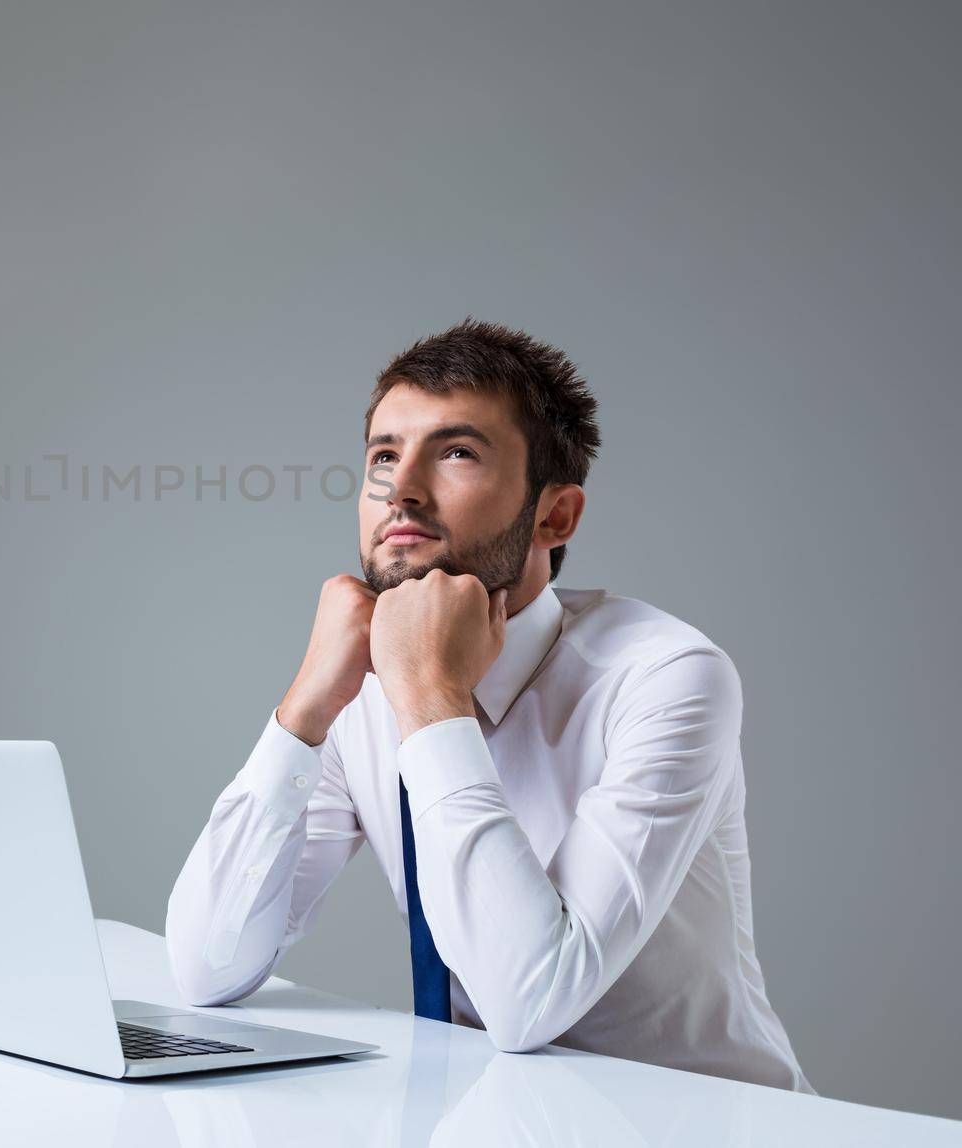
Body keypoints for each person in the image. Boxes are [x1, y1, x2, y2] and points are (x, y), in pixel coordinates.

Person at [164, 318, 811, 1091]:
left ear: (556, 515)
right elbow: (208, 966)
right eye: (383, 456)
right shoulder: (358, 683)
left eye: (457, 453)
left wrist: (432, 699)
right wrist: (303, 709)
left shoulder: (666, 679)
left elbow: (531, 1001)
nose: (402, 489)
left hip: (707, 1125)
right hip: (500, 1117)